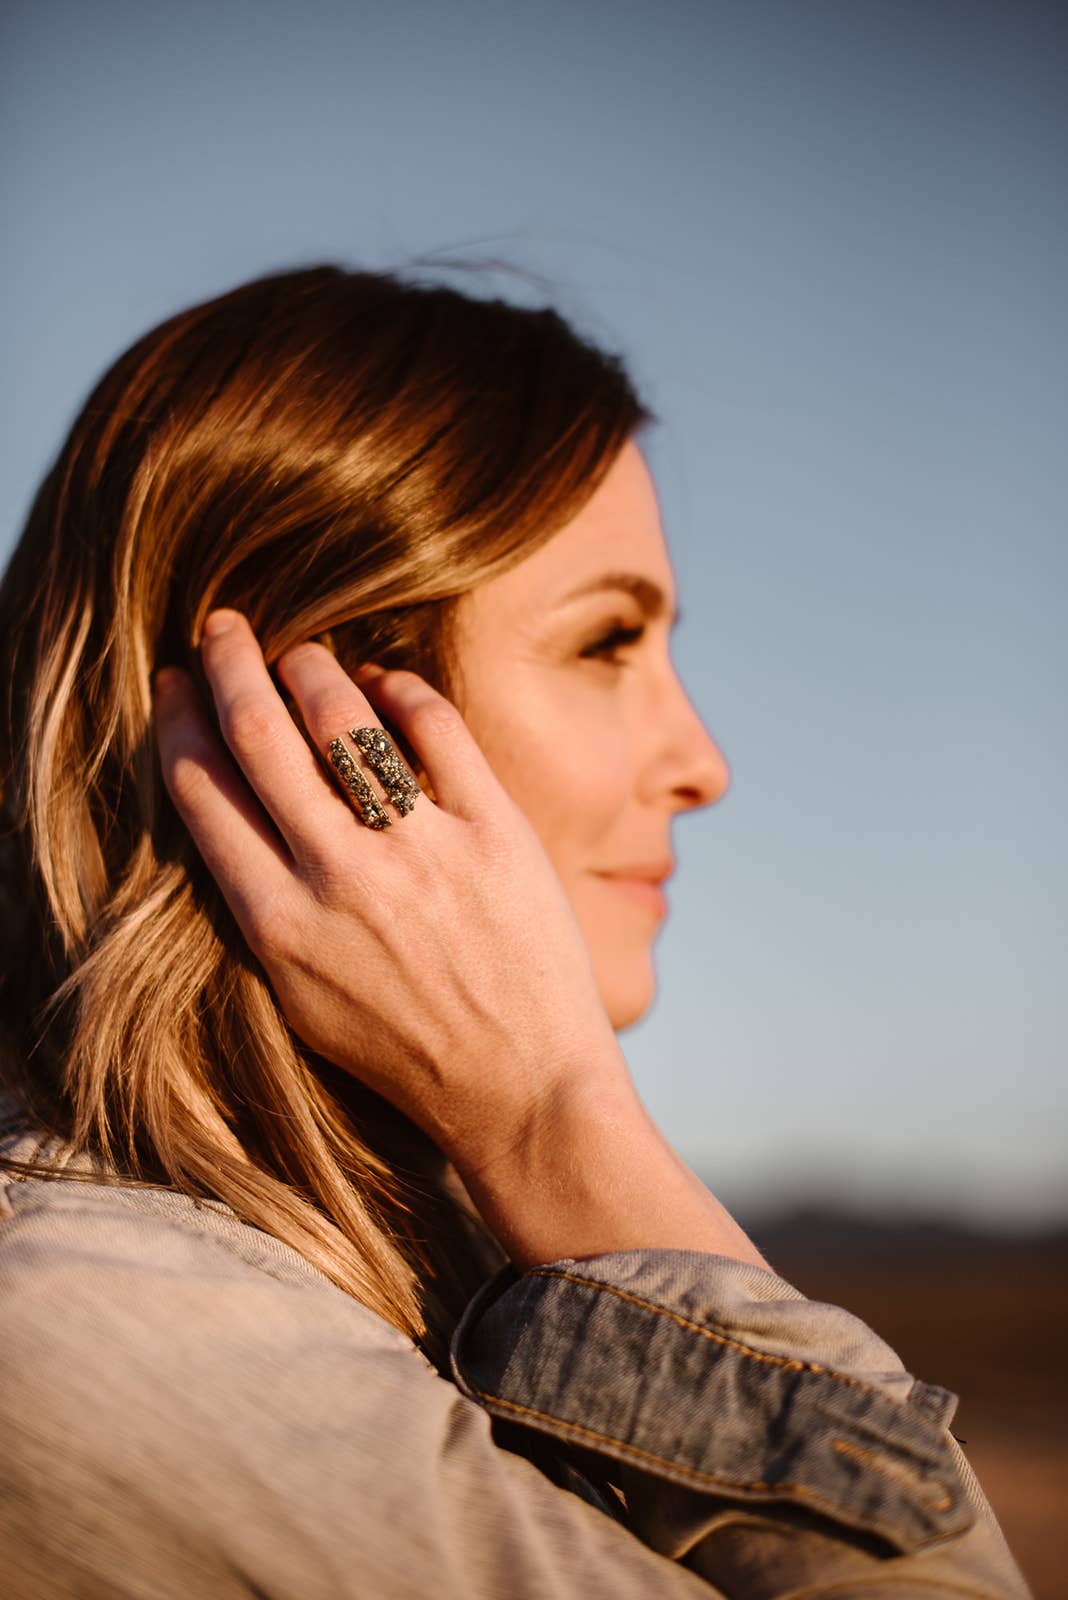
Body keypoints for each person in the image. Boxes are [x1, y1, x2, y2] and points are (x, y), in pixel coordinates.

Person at [0, 265, 1030, 1599]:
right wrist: (555, 1115)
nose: (704, 759)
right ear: (312, 727)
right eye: (608, 643)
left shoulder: (392, 1274)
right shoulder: (94, 1339)